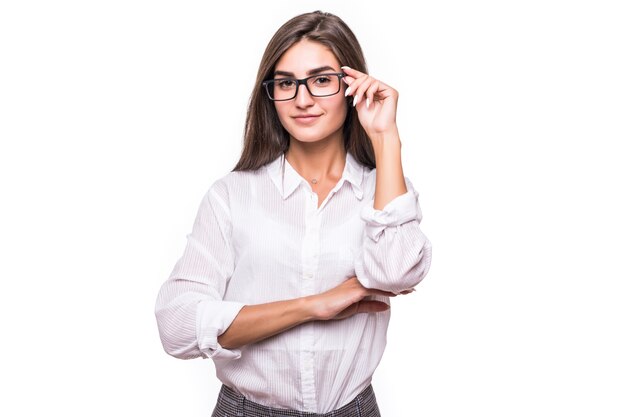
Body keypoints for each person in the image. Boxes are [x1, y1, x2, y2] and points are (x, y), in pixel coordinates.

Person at [155, 10, 432, 417]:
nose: (302, 99)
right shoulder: (232, 196)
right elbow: (176, 324)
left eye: (321, 80)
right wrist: (314, 305)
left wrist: (386, 138)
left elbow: (395, 272)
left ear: (351, 86)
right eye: (286, 83)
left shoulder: (383, 193)